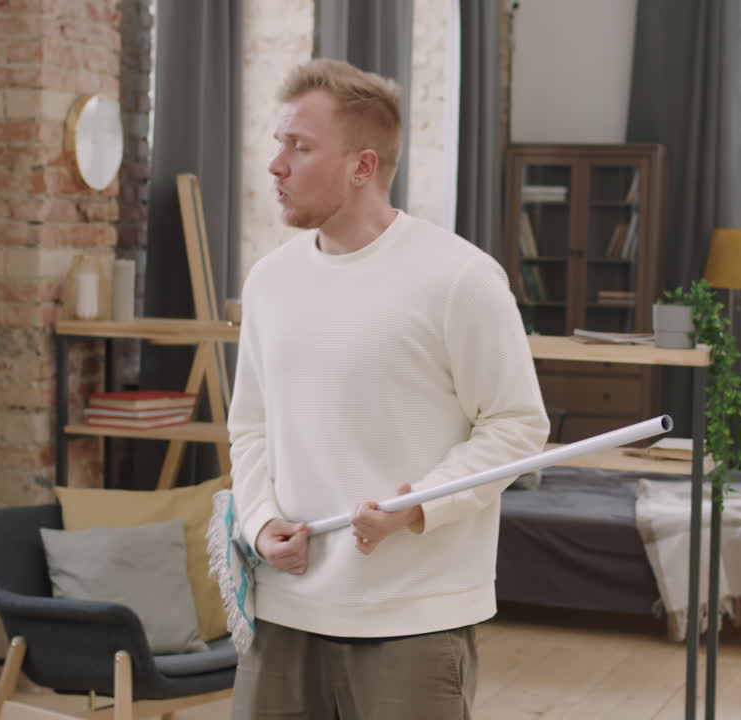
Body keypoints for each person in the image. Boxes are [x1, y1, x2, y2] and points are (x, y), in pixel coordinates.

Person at [227, 58, 550, 719]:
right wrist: (259, 524)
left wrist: (419, 507)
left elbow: (517, 426)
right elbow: (251, 426)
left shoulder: (459, 278)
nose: (275, 166)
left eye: (300, 146)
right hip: (284, 607)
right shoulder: (268, 281)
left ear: (362, 166)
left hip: (414, 616)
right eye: (278, 143)